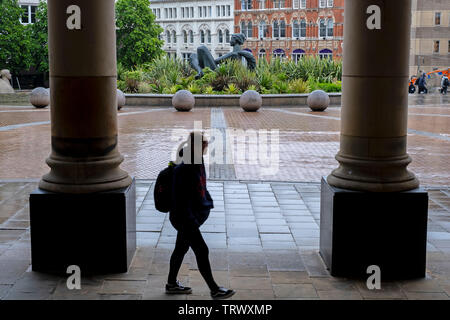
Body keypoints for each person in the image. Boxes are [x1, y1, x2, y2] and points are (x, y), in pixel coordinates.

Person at [166, 131, 236, 300]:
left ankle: (171, 284)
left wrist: (206, 201)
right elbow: (182, 197)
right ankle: (214, 289)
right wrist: (191, 220)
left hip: (185, 216)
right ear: (200, 145)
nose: (207, 145)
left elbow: (200, 187)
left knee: (180, 249)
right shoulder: (186, 167)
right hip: (184, 217)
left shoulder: (196, 160)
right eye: (205, 143)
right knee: (202, 250)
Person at [189, 33, 256, 79]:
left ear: (236, 40)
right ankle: (200, 71)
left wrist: (206, 57)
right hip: (220, 72)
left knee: (201, 49)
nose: (230, 41)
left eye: (231, 39)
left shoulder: (234, 54)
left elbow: (216, 61)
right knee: (193, 55)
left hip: (218, 73)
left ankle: (200, 71)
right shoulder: (237, 53)